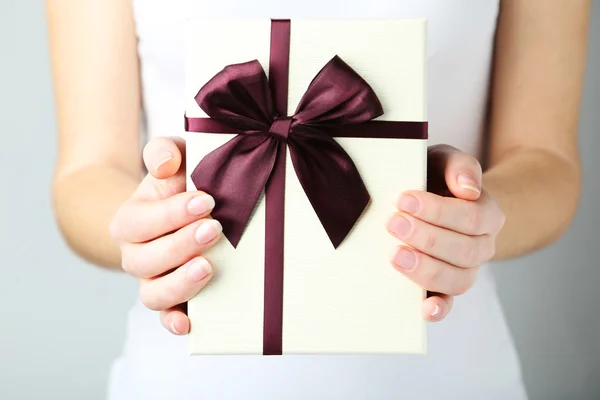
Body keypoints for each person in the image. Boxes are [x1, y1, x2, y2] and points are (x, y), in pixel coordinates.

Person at [46, 0, 590, 399]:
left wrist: (474, 219)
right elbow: (88, 173)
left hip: (451, 376)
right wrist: (143, 227)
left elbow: (547, 160)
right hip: (183, 377)